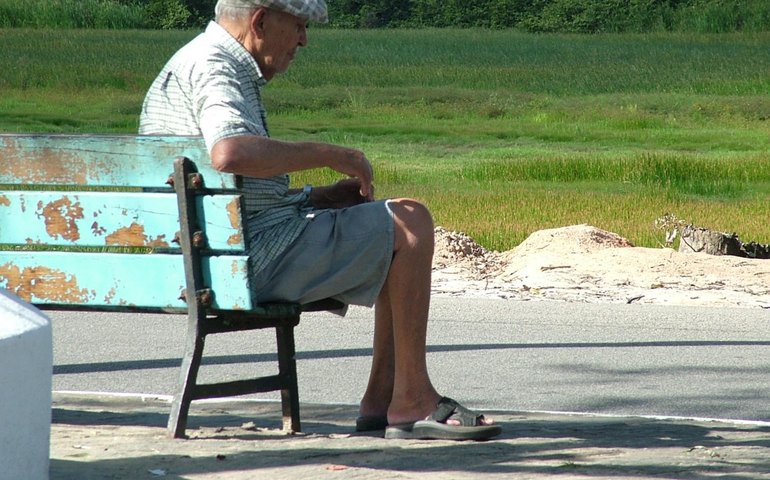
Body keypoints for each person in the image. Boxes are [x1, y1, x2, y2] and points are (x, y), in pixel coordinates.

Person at [140, 0, 500, 441]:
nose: (304, 40)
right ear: (259, 21)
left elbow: (228, 194)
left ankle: (384, 399)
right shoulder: (217, 66)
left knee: (388, 228)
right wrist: (332, 155)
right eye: (299, 26)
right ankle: (412, 400)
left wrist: (319, 197)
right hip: (242, 264)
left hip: (205, 258)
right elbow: (230, 152)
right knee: (410, 222)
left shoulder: (186, 60)